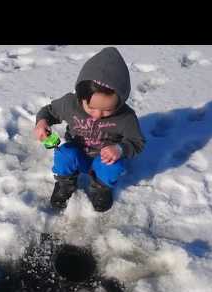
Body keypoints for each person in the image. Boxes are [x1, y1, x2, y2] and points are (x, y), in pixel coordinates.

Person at [34, 47, 145, 212]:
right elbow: (50, 111)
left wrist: (120, 148)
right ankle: (65, 183)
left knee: (113, 166)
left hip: (104, 160)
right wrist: (42, 122)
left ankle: (101, 187)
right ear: (80, 97)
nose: (97, 115)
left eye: (107, 110)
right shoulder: (70, 104)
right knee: (64, 154)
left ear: (120, 101)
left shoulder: (126, 117)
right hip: (78, 154)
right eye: (91, 108)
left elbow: (137, 142)